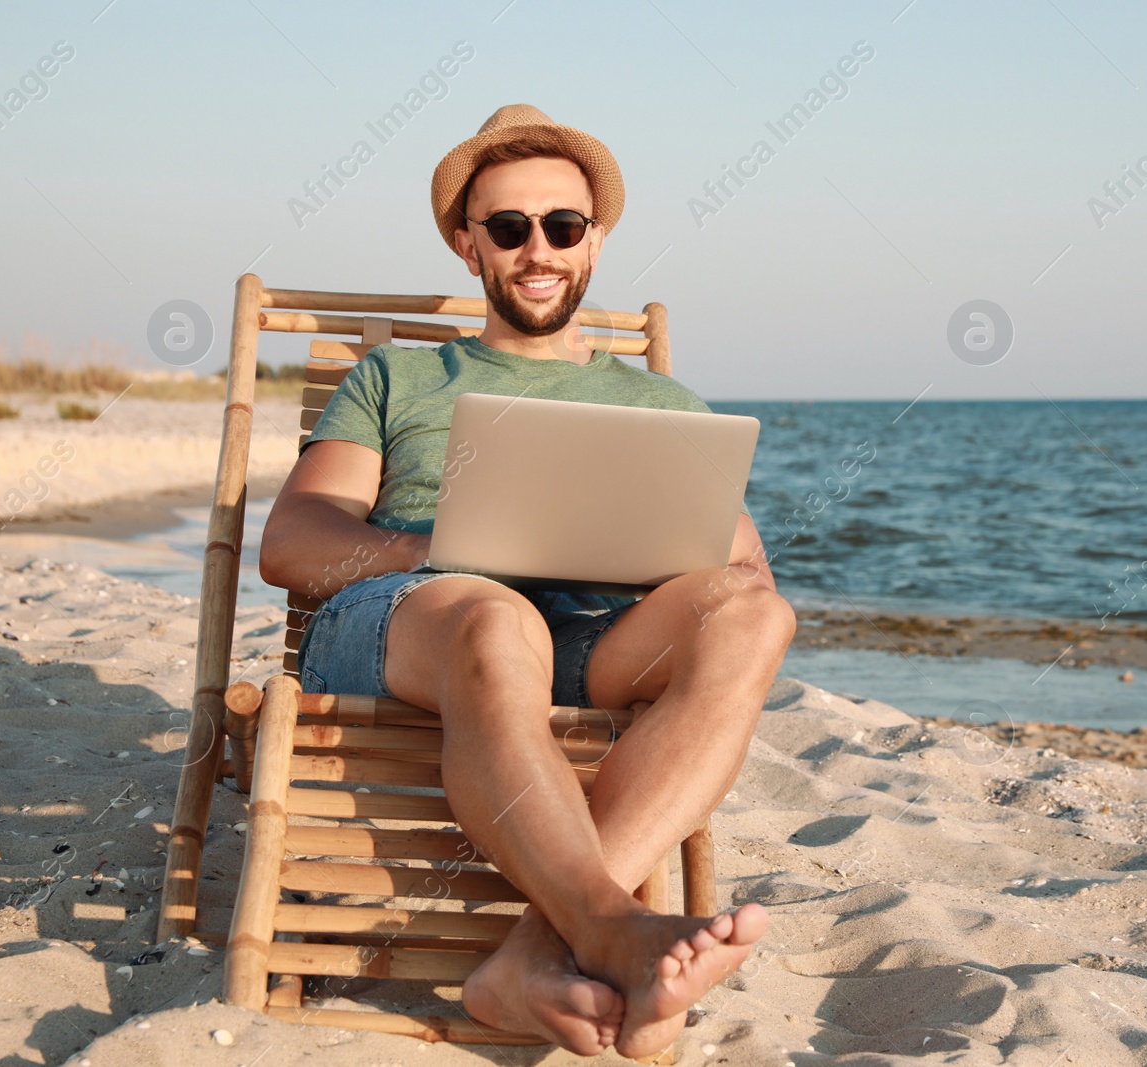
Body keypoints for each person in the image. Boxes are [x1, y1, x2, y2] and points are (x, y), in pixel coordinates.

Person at [258, 105, 794, 1059]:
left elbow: (742, 566)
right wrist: (443, 546)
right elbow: (295, 542)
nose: (537, 248)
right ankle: (609, 928)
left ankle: (538, 951)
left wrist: (675, 556)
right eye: (507, 227)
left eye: (563, 225)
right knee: (494, 616)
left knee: (753, 616)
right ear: (470, 247)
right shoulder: (399, 377)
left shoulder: (661, 403)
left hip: (593, 636)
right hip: (412, 624)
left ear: (597, 241)